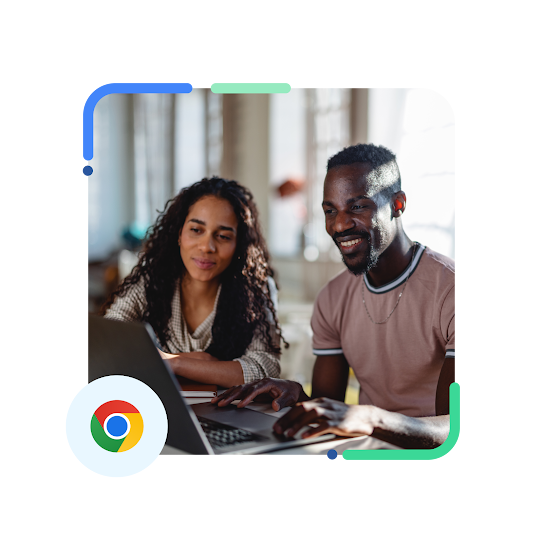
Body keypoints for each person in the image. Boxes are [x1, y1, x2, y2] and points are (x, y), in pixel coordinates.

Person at [212, 144, 455, 449]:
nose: (340, 225)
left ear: (398, 204)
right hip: (362, 448)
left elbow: (452, 428)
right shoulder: (332, 298)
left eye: (358, 207)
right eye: (330, 211)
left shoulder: (449, 290)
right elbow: (330, 407)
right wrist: (297, 395)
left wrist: (368, 418)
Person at [101, 177, 287, 388]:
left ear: (239, 245)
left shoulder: (255, 288)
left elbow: (265, 368)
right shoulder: (151, 280)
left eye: (223, 236)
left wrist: (176, 362)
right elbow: (110, 342)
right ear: (179, 233)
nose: (207, 247)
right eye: (196, 230)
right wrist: (207, 365)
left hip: (226, 414)